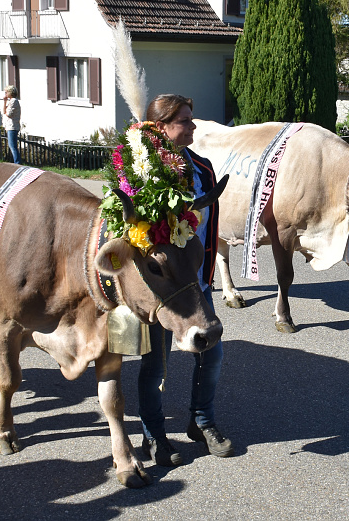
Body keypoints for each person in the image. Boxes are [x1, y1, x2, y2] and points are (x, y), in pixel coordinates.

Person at [137, 94, 233, 466]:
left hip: (195, 285)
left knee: (212, 354)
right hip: (159, 289)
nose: (193, 126)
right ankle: (154, 434)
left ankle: (202, 421)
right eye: (185, 121)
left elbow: (208, 230)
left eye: (192, 120)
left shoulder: (204, 170)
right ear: (161, 127)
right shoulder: (140, 172)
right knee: (155, 365)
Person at [2, 86, 21, 164]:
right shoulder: (10, 101)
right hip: (10, 126)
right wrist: (5, 102)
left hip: (13, 126)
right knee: (11, 145)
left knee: (12, 146)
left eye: (6, 92)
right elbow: (4, 111)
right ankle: (16, 161)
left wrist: (6, 109)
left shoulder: (14, 101)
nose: (5, 94)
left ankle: (17, 162)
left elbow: (8, 114)